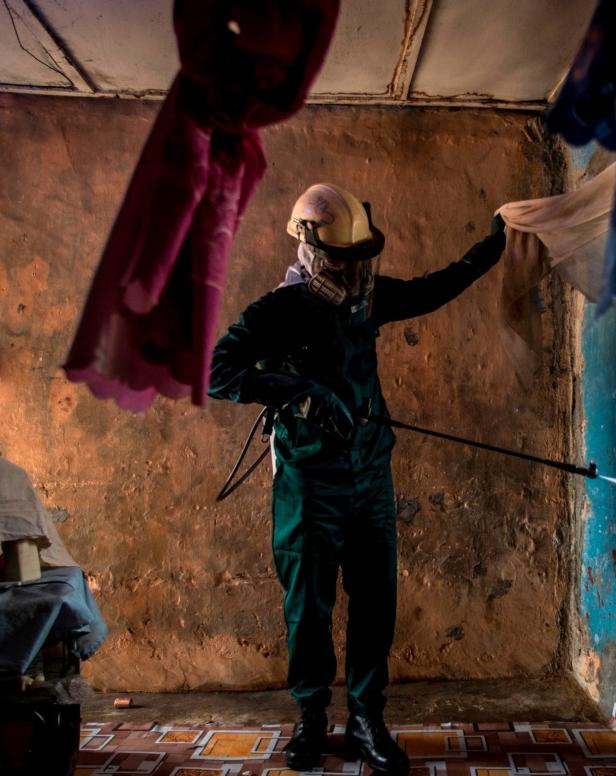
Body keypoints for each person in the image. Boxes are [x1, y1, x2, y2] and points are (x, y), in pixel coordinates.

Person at [209, 183, 506, 775]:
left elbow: (430, 290)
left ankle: (367, 717)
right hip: (307, 485)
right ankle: (311, 718)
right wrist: (300, 390)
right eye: (339, 259)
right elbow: (218, 372)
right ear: (310, 248)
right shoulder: (278, 310)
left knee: (375, 603)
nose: (350, 270)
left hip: (370, 479)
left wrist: (487, 251)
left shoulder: (366, 301)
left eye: (358, 258)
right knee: (307, 608)